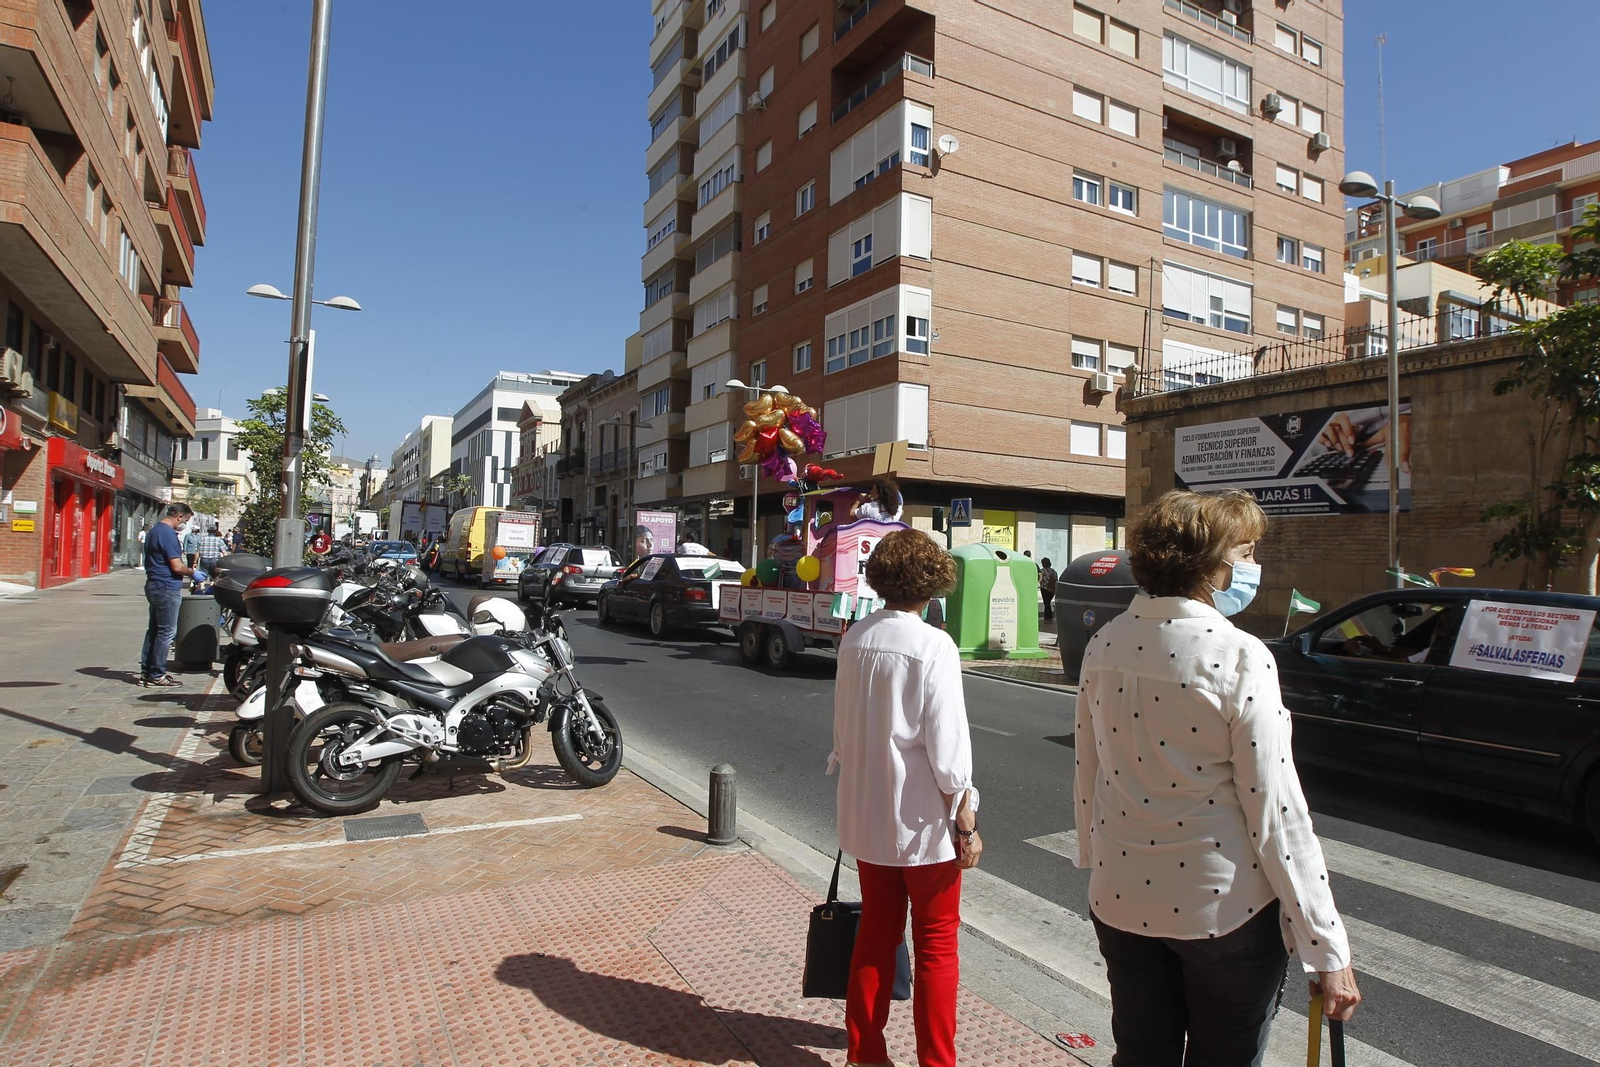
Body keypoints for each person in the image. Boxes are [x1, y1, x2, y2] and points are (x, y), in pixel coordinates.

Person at [1074, 489, 1359, 1066]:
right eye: (1247, 552)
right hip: (1223, 916)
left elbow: (1090, 769)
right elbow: (1277, 812)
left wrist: (1094, 859)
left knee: (1141, 1054)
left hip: (1121, 901)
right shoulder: (1239, 655)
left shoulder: (1104, 643)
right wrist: (1326, 947)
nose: (1253, 566)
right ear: (1212, 565)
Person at [830, 529, 981, 1067]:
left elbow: (843, 732)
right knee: (937, 945)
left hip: (868, 815)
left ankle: (864, 1053)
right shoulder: (933, 644)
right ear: (931, 583)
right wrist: (965, 815)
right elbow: (948, 748)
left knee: (876, 931)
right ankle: (936, 1063)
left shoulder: (856, 637)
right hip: (923, 822)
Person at [139, 503, 194, 687]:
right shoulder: (168, 535)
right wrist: (193, 573)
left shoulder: (154, 531)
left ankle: (147, 671)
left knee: (154, 630)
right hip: (166, 586)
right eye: (185, 520)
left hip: (154, 584)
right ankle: (156, 674)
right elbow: (177, 566)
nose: (184, 524)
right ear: (178, 516)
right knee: (166, 632)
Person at [1038, 556, 1057, 622]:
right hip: (1052, 590)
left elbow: (1039, 580)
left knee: (1046, 603)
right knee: (1047, 603)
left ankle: (1048, 618)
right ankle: (1049, 617)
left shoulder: (1042, 571)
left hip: (1044, 589)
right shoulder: (1054, 571)